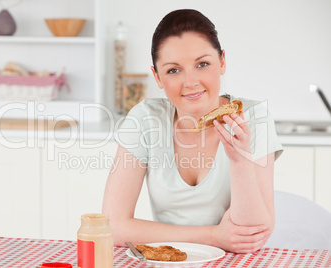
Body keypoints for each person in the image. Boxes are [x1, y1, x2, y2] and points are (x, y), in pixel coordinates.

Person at [102, 9, 283, 254]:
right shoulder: (146, 119)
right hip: (171, 258)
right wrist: (213, 236)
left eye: (202, 64)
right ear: (157, 77)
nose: (190, 82)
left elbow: (253, 233)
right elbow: (113, 225)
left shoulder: (253, 118)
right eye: (173, 70)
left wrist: (240, 161)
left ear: (222, 62)